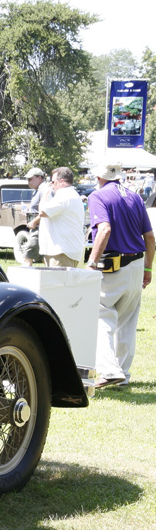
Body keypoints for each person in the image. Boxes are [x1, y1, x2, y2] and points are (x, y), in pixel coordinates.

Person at [85, 163, 155, 387]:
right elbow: (150, 237)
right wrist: (147, 268)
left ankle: (109, 370)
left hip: (113, 266)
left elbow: (104, 229)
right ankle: (123, 374)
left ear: (99, 177)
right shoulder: (135, 197)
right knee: (127, 322)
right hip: (136, 264)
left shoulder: (97, 196)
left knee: (100, 315)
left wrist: (91, 263)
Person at [31, 167, 84, 267]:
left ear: (62, 182)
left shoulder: (64, 195)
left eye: (53, 182)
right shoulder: (71, 194)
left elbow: (42, 211)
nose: (51, 185)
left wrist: (45, 195)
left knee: (59, 282)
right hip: (63, 251)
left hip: (61, 252)